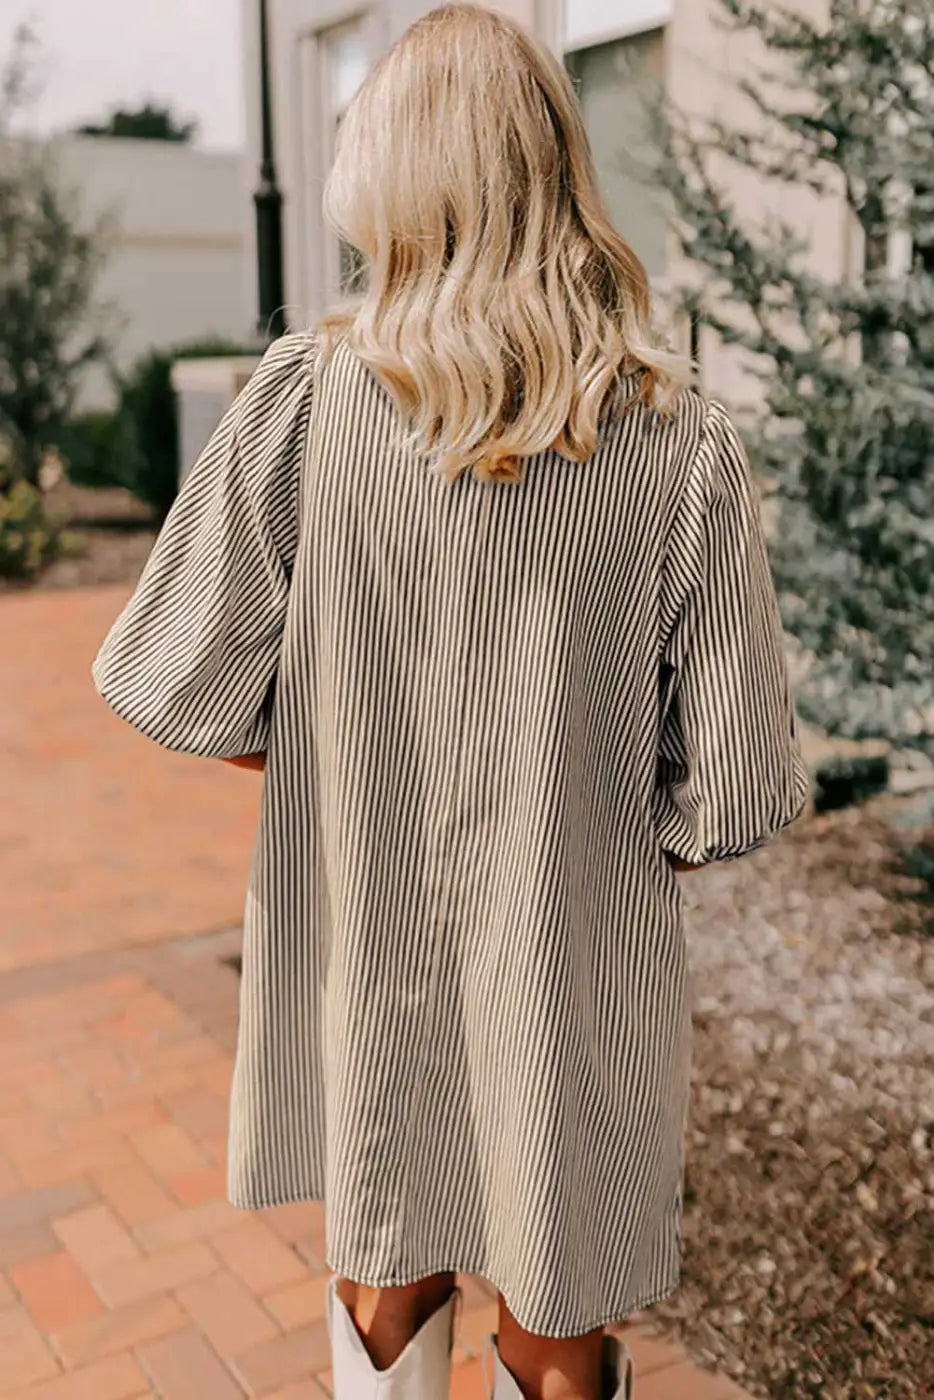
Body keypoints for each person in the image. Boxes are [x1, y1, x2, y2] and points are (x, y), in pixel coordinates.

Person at [90, 4, 810, 1398]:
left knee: (384, 1266)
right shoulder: (678, 434)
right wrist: (577, 812)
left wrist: (344, 764)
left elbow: (171, 671)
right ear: (552, 168)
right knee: (558, 1312)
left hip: (363, 937)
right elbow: (730, 787)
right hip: (576, 962)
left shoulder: (303, 400)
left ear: (392, 173)